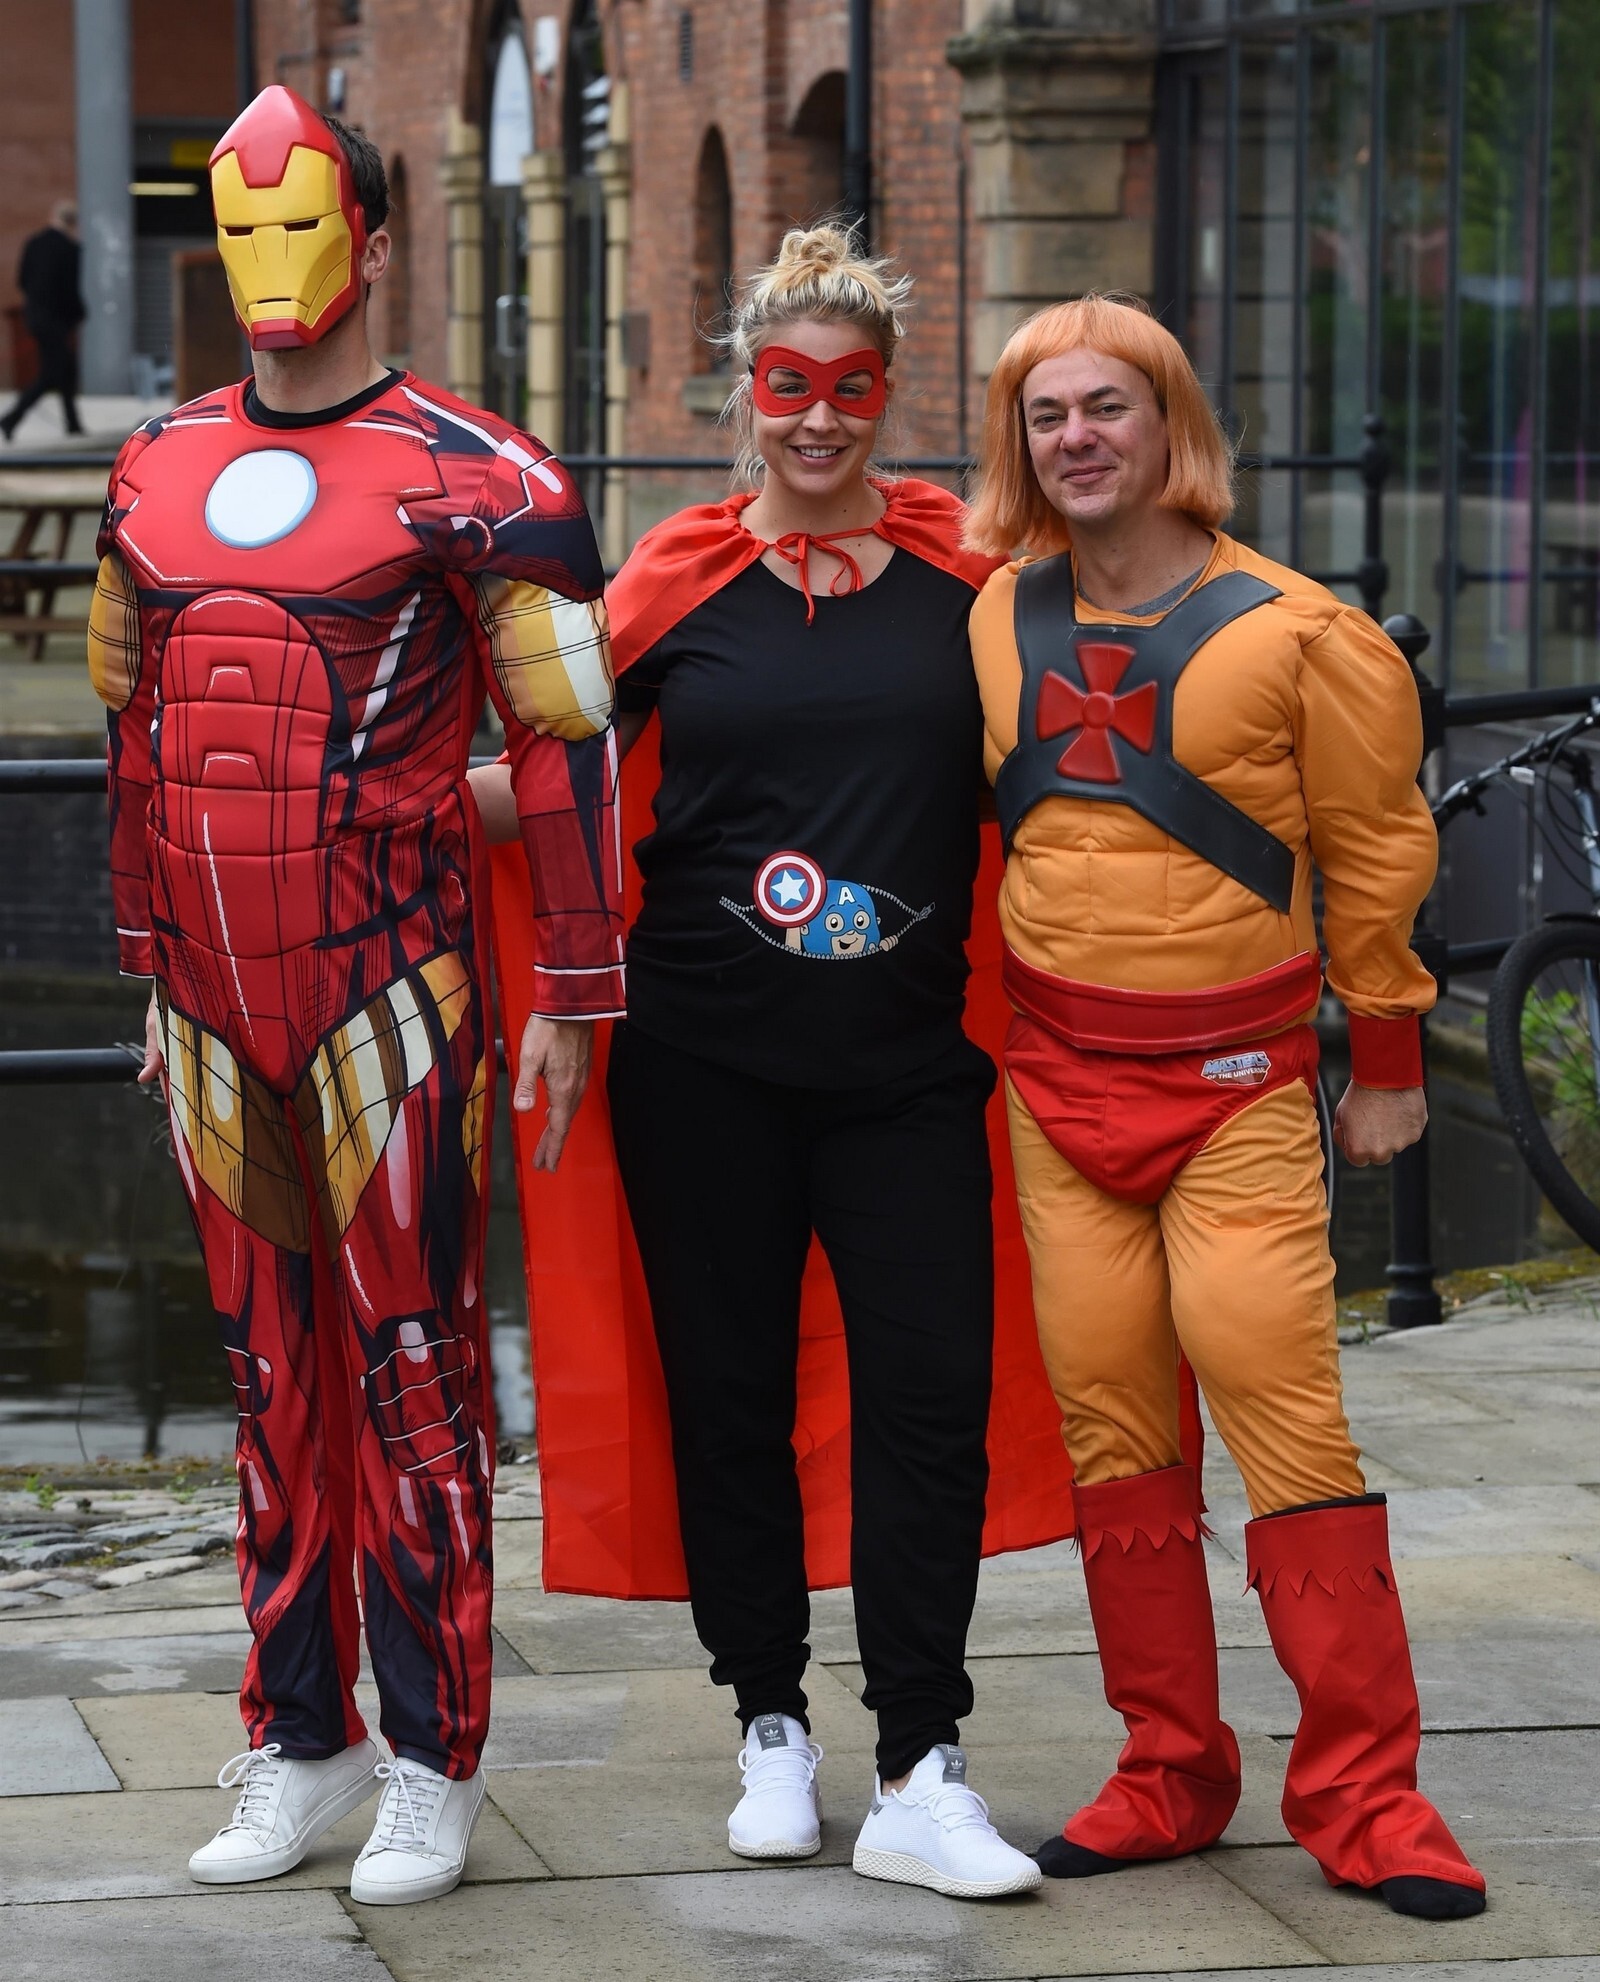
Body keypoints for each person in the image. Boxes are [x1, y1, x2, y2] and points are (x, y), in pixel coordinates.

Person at [86, 86, 623, 1904]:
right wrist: (149, 967)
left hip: (392, 985)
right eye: (235, 226)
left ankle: (436, 1753)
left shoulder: (490, 476)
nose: (269, 262)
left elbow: (564, 743)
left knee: (413, 1371)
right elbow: (136, 735)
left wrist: (577, 984)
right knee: (263, 1376)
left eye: (301, 221)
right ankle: (301, 1734)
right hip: (211, 1004)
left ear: (374, 243)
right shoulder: (151, 465)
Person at [474, 224, 1047, 1901]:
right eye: (787, 384)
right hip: (701, 1063)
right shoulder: (676, 578)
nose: (816, 418)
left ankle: (921, 1759)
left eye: (849, 389)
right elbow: (550, 769)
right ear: (745, 391)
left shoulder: (970, 576)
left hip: (909, 1069)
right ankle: (771, 1724)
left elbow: (1077, 751)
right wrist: (361, 793)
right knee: (728, 1399)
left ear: (889, 396)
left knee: (929, 1403)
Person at [963, 293, 1487, 1921]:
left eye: (1107, 405)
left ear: (1171, 422)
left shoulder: (1305, 635)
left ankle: (1369, 1794)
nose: (1078, 438)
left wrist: (1387, 1062)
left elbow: (1380, 852)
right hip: (1059, 1094)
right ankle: (1168, 1768)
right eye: (1047, 414)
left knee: (1285, 1409)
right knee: (1114, 1430)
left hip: (1237, 1091)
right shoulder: (994, 614)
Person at [2, 201, 85, 441]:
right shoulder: (69, 249)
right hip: (57, 321)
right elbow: (69, 290)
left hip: (34, 317)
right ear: (72, 223)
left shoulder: (34, 243)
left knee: (66, 368)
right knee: (52, 373)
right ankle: (11, 418)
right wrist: (78, 314)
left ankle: (73, 424)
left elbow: (22, 280)